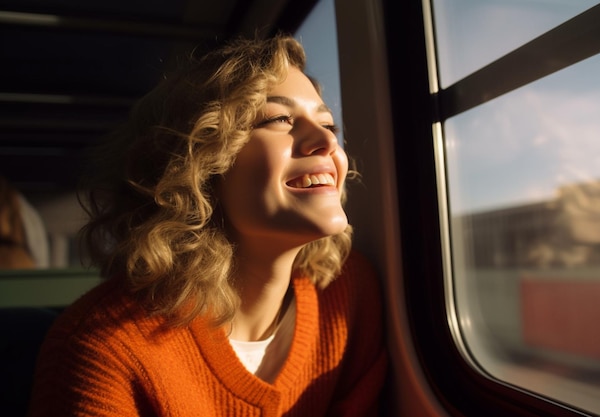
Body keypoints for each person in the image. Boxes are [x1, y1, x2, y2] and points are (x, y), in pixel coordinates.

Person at [28, 35, 387, 416]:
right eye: (279, 119)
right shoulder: (104, 348)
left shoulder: (349, 296)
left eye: (327, 123)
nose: (326, 142)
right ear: (198, 165)